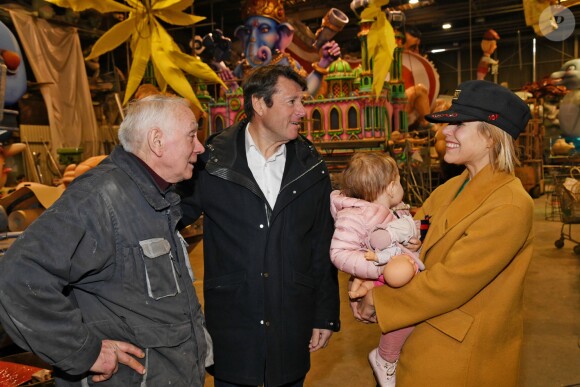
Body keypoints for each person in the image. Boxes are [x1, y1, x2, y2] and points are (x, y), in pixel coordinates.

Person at [0, 95, 209, 386]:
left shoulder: (154, 198)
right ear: (157, 141)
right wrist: (86, 352)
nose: (200, 146)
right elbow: (17, 279)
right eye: (191, 135)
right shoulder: (99, 199)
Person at [352, 80, 534, 386]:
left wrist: (378, 302)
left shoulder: (511, 205)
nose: (444, 132)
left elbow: (450, 283)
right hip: (424, 337)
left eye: (458, 125)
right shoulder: (451, 187)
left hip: (461, 355)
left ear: (491, 137)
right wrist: (367, 271)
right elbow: (407, 242)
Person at [179, 64, 340, 387]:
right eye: (292, 102)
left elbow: (321, 244)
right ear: (259, 104)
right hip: (233, 321)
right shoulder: (212, 162)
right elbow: (169, 216)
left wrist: (325, 314)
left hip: (291, 319)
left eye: (302, 102)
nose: (302, 112)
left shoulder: (311, 167)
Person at [329, 152, 423, 387]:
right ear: (391, 187)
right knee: (407, 313)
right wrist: (377, 268)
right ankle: (385, 358)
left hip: (393, 270)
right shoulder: (354, 215)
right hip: (381, 273)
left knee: (409, 312)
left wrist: (414, 242)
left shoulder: (396, 209)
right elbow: (339, 253)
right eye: (399, 181)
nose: (401, 187)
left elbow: (400, 236)